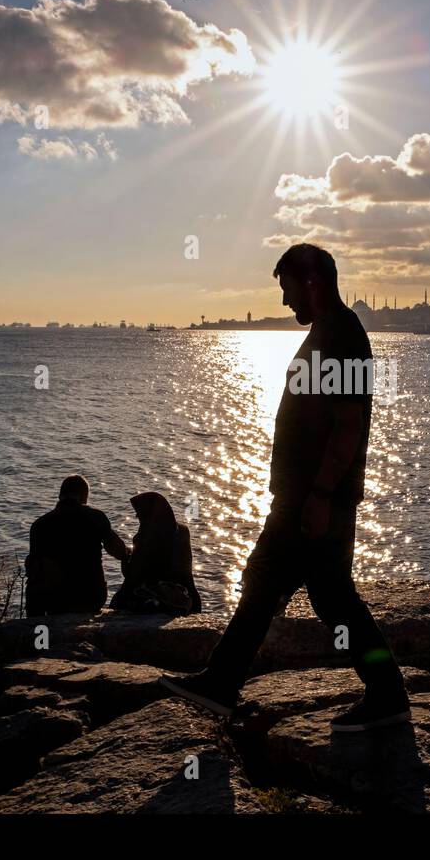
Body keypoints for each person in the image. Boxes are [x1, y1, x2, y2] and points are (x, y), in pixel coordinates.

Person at [158, 243, 411, 733]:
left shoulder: (339, 335)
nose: (285, 302)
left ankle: (225, 684)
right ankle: (227, 683)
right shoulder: (331, 332)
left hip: (313, 499)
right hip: (307, 496)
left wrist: (319, 495)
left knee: (291, 587)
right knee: (313, 592)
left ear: (311, 283)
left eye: (288, 289)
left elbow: (348, 424)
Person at [25, 475, 130, 615]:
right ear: (84, 496)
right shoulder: (96, 517)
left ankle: (35, 629)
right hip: (91, 597)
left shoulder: (39, 525)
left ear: (60, 495)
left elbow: (34, 569)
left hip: (55, 600)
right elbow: (119, 551)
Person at [110, 491, 201, 615]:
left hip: (158, 599)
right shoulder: (183, 531)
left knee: (120, 598)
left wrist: (124, 556)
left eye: (139, 515)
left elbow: (133, 575)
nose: (139, 518)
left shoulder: (145, 536)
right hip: (189, 598)